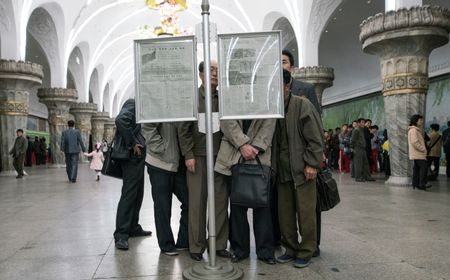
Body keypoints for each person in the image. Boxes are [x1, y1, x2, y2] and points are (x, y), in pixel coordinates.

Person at [178, 61, 232, 261]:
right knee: (197, 203)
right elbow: (183, 129)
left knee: (219, 201)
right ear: (200, 75)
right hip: (198, 156)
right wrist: (189, 155)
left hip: (221, 156)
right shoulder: (192, 98)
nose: (215, 73)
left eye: (217, 70)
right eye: (210, 70)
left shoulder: (225, 97)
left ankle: (218, 245)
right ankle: (196, 246)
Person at [272, 69, 323, 268]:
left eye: (279, 86)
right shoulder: (274, 109)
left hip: (302, 169)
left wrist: (312, 163)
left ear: (287, 86)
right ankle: (290, 248)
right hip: (282, 170)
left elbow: (315, 138)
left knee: (305, 212)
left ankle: (306, 250)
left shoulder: (303, 105)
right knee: (285, 213)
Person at [214, 104, 276, 264]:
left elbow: (269, 123)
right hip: (235, 154)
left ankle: (265, 251)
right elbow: (227, 121)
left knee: (262, 205)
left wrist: (253, 148)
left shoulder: (265, 95)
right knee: (238, 205)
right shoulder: (231, 92)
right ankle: (240, 249)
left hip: (259, 154)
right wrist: (242, 145)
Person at [142, 122, 189, 256]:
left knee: (190, 201)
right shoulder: (158, 102)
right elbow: (147, 126)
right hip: (159, 163)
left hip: (178, 163)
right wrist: (161, 147)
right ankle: (166, 244)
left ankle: (183, 241)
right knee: (162, 206)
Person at [113, 99, 151, 250]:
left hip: (138, 156)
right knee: (129, 194)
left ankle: (133, 227)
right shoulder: (134, 103)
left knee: (138, 192)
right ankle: (121, 234)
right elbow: (120, 120)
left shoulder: (141, 105)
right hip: (131, 155)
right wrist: (133, 142)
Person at [282, 49, 321, 114]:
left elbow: (316, 116)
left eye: (283, 62)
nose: (280, 66)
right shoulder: (272, 92)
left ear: (292, 68)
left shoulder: (307, 89)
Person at [408, 114, 430, 190]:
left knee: (417, 169)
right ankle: (422, 184)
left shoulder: (414, 130)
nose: (422, 121)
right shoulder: (414, 130)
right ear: (415, 121)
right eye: (420, 120)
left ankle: (415, 184)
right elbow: (414, 142)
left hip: (417, 153)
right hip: (418, 153)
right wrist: (423, 149)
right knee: (424, 168)